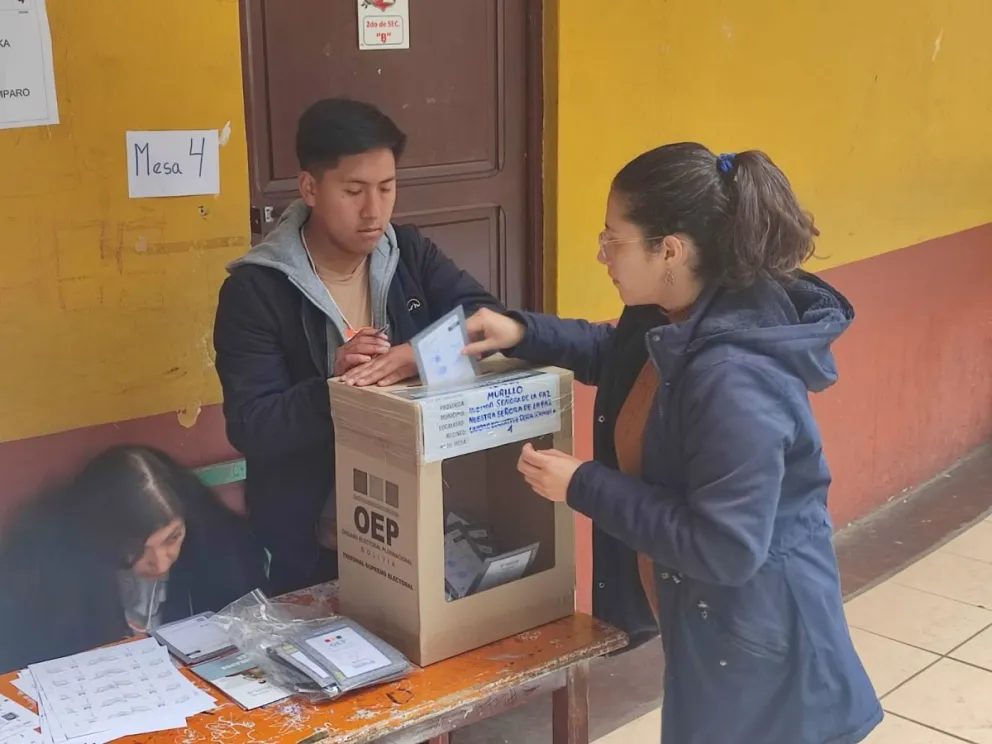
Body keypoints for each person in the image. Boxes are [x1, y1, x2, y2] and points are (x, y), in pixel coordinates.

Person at [463, 144, 882, 743]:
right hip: (713, 631)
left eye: (614, 239)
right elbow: (619, 358)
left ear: (671, 250)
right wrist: (524, 331)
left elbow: (726, 547)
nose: (601, 254)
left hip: (765, 652)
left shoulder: (734, 376)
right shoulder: (677, 312)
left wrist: (583, 483)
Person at [214, 98, 502, 594]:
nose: (375, 211)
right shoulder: (257, 291)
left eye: (387, 188)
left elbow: (486, 321)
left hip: (419, 517)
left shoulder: (408, 252)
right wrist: (337, 387)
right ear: (309, 188)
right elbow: (253, 426)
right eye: (354, 191)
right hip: (315, 542)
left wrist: (413, 356)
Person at [0, 446, 266, 673]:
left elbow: (244, 625)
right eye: (137, 549)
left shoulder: (217, 541)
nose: (161, 564)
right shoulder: (46, 567)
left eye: (172, 538)